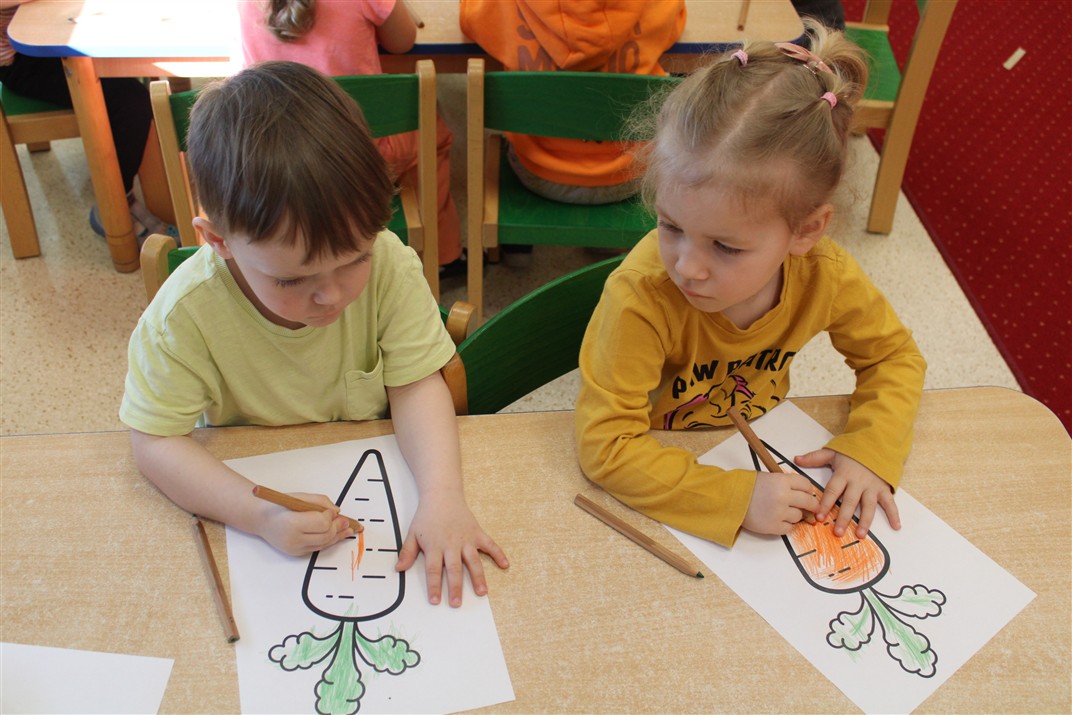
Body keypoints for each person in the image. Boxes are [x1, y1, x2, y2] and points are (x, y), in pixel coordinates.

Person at [119, 61, 508, 607]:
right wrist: (255, 513)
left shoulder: (391, 264)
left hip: (376, 470)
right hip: (257, 488)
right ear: (218, 241)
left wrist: (442, 496)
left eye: (354, 259)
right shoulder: (182, 317)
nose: (331, 295)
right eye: (292, 280)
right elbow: (155, 441)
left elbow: (417, 383)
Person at [574, 21, 927, 549]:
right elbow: (606, 446)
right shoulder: (641, 296)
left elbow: (893, 357)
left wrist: (871, 447)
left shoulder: (825, 274)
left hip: (763, 438)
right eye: (670, 226)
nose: (687, 268)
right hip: (666, 455)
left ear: (805, 231)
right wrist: (733, 498)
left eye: (726, 247)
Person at [237, 0, 465, 277]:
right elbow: (403, 42)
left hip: (279, 157)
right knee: (433, 134)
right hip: (355, 155)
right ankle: (442, 254)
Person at [459, 0, 686, 264]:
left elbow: (469, 17)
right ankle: (606, 244)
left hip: (536, 171)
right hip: (629, 174)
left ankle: (517, 246)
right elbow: (676, 23)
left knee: (516, 128)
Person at [0, 0, 172, 241]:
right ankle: (114, 203)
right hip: (24, 58)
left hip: (57, 32)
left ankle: (140, 187)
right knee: (131, 101)